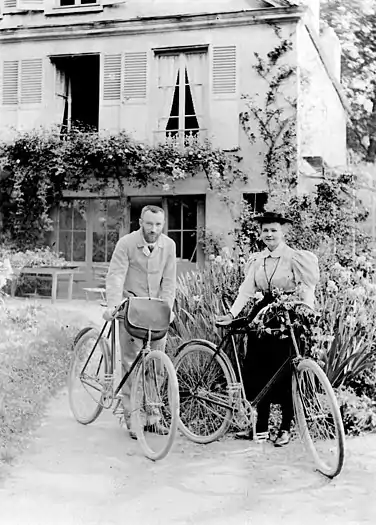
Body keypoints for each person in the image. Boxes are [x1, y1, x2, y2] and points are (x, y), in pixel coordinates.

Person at [216, 211, 319, 446]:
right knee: (257, 370)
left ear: (283, 232)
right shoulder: (258, 260)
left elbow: (307, 287)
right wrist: (232, 314)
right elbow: (246, 290)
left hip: (287, 315)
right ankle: (259, 427)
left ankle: (285, 428)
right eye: (265, 230)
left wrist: (308, 310)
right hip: (263, 316)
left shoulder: (295, 258)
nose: (269, 234)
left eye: (274, 230)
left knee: (285, 371)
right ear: (260, 234)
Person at [103, 205, 177, 438]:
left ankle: (154, 418)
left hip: (156, 312)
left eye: (158, 224)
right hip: (131, 309)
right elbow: (116, 275)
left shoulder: (169, 246)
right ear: (140, 222)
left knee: (156, 365)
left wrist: (168, 309)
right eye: (149, 224)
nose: (153, 229)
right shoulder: (126, 243)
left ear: (163, 225)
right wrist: (114, 305)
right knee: (132, 365)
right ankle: (134, 419)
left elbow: (169, 282)